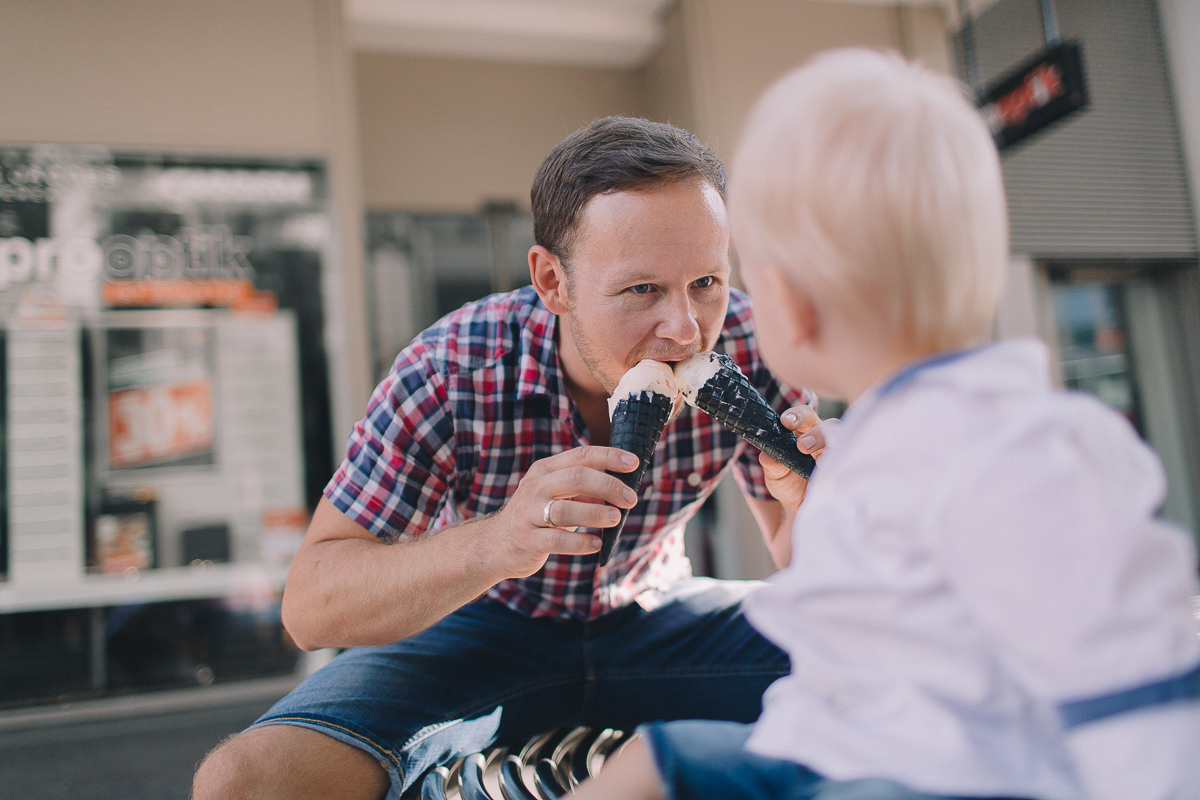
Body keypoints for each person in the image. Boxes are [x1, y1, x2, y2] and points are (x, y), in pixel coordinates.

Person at [566, 49, 1200, 800]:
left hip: (938, 776)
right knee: (649, 764)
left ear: (790, 306)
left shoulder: (1021, 450)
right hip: (831, 744)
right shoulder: (875, 437)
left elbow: (1136, 683)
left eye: (724, 281)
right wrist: (814, 505)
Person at [192, 116, 823, 800]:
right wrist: (499, 540)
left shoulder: (751, 343)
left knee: (906, 654)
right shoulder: (448, 370)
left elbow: (798, 553)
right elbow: (310, 608)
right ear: (552, 281)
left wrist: (819, 506)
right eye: (641, 289)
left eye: (705, 281)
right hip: (481, 628)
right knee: (244, 782)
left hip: (662, 616)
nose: (685, 329)